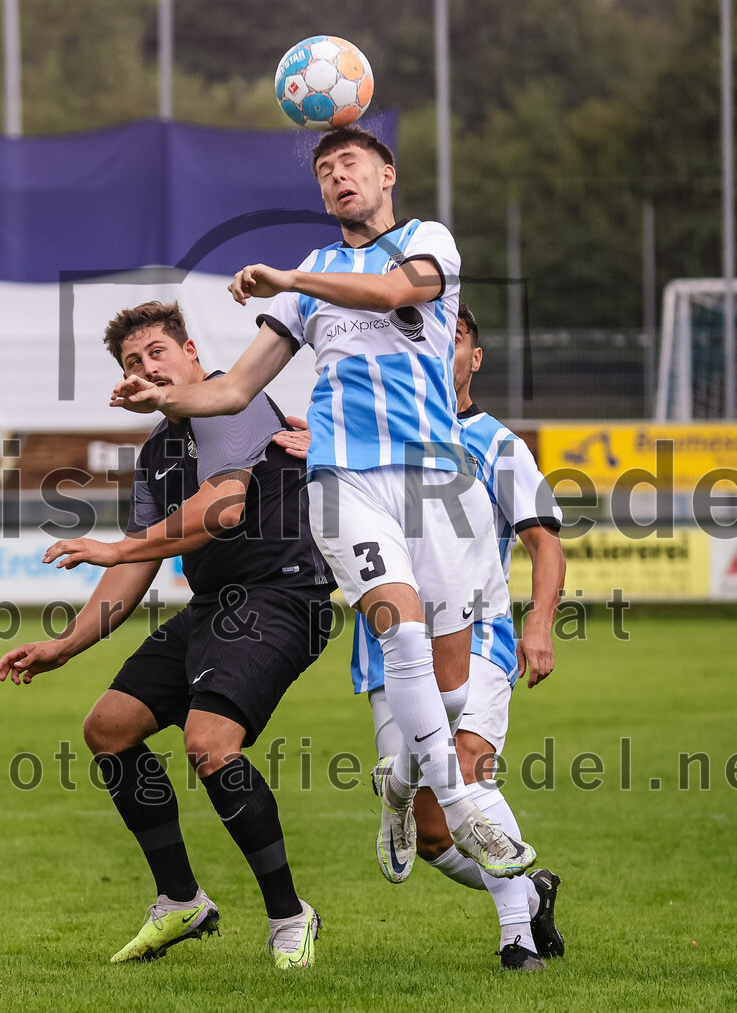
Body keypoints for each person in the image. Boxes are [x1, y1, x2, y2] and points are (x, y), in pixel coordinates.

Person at [111, 126, 535, 881]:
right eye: (326, 171)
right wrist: (164, 392)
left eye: (351, 165)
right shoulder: (312, 270)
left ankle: (400, 787)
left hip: (436, 482)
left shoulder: (424, 242)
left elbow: (397, 291)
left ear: (386, 174)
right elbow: (234, 388)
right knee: (400, 631)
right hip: (346, 480)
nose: (338, 179)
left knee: (452, 684)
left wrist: (292, 281)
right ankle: (463, 809)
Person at [0, 301, 335, 969]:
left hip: (283, 594)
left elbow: (224, 505)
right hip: (217, 604)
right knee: (109, 727)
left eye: (157, 352)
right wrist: (64, 646)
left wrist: (117, 550)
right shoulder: (156, 451)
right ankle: (181, 898)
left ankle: (290, 915)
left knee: (210, 742)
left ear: (189, 353)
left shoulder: (228, 403)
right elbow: (138, 566)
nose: (146, 366)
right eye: (131, 361)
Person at [274, 302, 568, 972]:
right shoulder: (366, 437)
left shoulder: (497, 443)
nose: (441, 348)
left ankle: (515, 937)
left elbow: (544, 544)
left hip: (480, 628)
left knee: (466, 765)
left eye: (456, 337)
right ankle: (525, 883)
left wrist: (541, 622)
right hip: (389, 636)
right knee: (434, 836)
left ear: (474, 356)